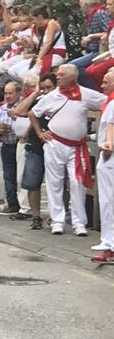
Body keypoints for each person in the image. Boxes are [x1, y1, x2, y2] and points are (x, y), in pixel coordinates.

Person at [32, 63, 105, 236]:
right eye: (58, 74)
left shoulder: (86, 94)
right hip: (54, 143)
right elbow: (33, 113)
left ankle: (79, 222)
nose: (57, 77)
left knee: (77, 182)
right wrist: (39, 133)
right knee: (54, 182)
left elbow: (106, 102)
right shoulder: (52, 95)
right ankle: (57, 220)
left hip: (76, 146)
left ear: (72, 77)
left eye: (61, 75)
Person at [11, 73, 53, 230]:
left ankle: (56, 216)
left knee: (57, 184)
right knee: (31, 182)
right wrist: (36, 93)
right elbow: (19, 111)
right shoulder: (39, 100)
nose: (47, 91)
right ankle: (36, 216)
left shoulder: (62, 100)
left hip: (55, 147)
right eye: (44, 88)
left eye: (49, 88)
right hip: (36, 146)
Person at [92, 68, 114, 263]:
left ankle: (110, 242)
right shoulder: (111, 103)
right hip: (108, 156)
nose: (102, 85)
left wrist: (109, 145)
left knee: (109, 201)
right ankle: (109, 242)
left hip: (110, 158)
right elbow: (109, 127)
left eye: (106, 82)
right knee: (108, 201)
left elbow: (110, 127)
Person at [71, 0, 112, 88]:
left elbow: (108, 32)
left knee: (74, 66)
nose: (80, 7)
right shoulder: (91, 16)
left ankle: (95, 90)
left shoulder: (100, 13)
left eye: (80, 4)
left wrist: (91, 36)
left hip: (101, 52)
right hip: (93, 51)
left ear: (85, 4)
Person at [0, 81, 22, 216]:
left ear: (18, 93)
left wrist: (10, 128)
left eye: (10, 93)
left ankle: (23, 205)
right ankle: (12, 204)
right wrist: (0, 130)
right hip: (6, 145)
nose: (7, 96)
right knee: (8, 176)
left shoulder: (22, 107)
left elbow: (23, 124)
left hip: (19, 144)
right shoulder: (3, 108)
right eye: (5, 93)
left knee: (20, 177)